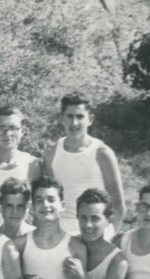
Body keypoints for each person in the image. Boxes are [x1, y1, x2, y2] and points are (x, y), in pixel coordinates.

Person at [7, 177, 87, 279]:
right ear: (33, 206)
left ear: (62, 205)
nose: (45, 205)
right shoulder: (20, 244)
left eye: (51, 199)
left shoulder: (76, 246)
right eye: (39, 200)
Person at [43, 93, 125, 235]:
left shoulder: (102, 153)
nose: (74, 123)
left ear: (90, 119)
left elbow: (118, 205)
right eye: (69, 116)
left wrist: (109, 237)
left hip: (95, 227)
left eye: (80, 116)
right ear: (62, 119)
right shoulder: (51, 153)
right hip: (62, 228)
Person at [67, 188, 127, 279]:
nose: (88, 225)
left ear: (108, 220)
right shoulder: (70, 243)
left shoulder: (117, 261)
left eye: (95, 218)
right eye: (83, 218)